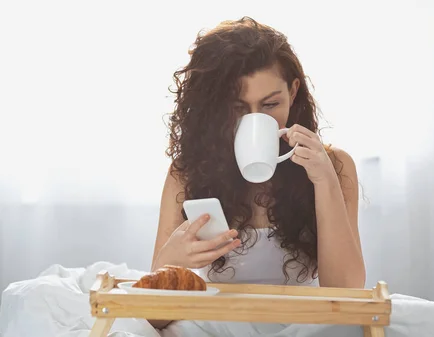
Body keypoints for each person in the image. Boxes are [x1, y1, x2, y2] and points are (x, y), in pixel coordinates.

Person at [150, 16, 365, 330]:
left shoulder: (334, 164)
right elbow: (155, 314)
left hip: (305, 324)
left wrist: (324, 182)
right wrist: (173, 260)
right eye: (237, 107)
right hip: (218, 323)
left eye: (270, 104)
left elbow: (347, 294)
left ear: (293, 92)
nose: (255, 120)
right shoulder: (187, 172)